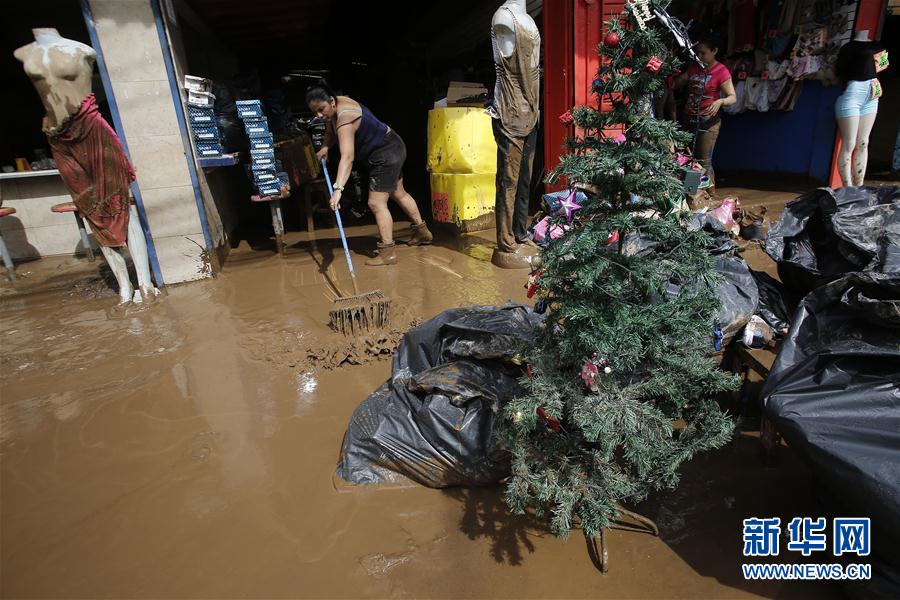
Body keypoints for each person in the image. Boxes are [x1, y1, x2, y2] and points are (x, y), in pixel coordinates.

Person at [306, 82, 432, 266]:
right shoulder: (337, 105)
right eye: (314, 112)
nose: (318, 115)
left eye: (321, 109)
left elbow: (347, 157)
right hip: (393, 145)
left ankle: (387, 253)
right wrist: (325, 147)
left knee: (376, 203)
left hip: (385, 153)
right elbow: (329, 127)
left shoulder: (345, 118)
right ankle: (422, 232)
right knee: (398, 192)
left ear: (331, 101)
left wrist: (338, 189)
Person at [677, 35, 737, 196]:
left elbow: (733, 97)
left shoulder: (721, 71)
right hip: (689, 118)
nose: (700, 56)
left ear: (715, 51)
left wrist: (720, 102)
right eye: (698, 53)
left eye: (704, 53)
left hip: (708, 121)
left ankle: (710, 195)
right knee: (687, 158)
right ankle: (691, 194)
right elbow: (678, 82)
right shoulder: (694, 68)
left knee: (702, 160)